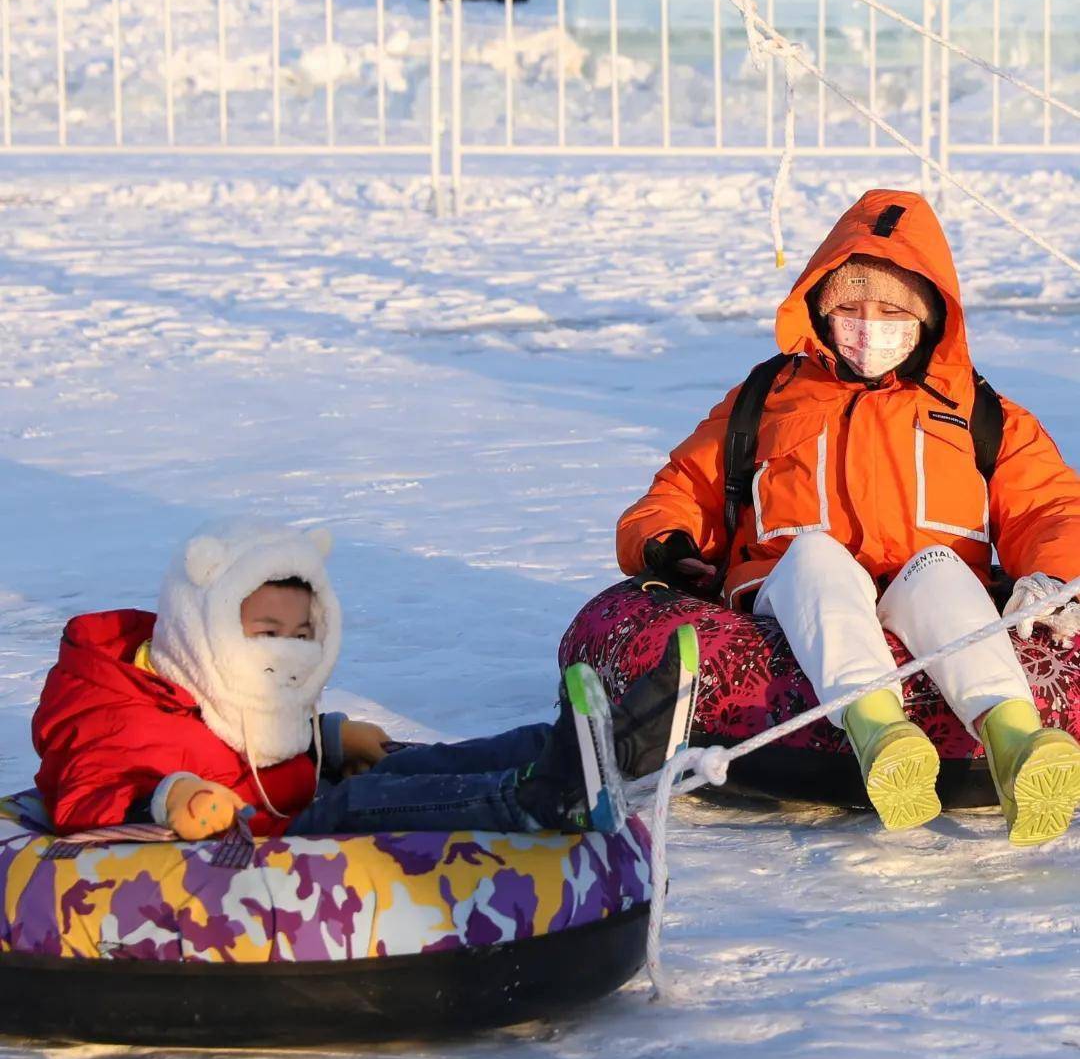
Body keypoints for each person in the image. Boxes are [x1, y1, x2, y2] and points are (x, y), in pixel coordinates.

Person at [616, 189, 1080, 845]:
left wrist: (1058, 574)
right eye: (850, 310)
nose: (869, 326)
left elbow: (1050, 507)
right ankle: (881, 735)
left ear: (928, 317)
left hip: (921, 588)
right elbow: (680, 489)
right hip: (794, 587)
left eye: (891, 310)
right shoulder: (767, 400)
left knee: (944, 571)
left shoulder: (979, 413)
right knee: (816, 557)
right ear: (821, 312)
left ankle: (1015, 742)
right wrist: (662, 544)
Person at [32, 519, 695, 842]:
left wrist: (327, 735)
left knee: (407, 768)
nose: (287, 653)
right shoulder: (115, 701)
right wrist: (170, 798)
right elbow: (83, 795)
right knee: (356, 808)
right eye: (266, 632)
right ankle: (537, 797)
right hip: (258, 841)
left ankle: (594, 742)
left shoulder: (204, 671)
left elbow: (235, 740)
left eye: (301, 635)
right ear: (202, 622)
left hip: (285, 800)